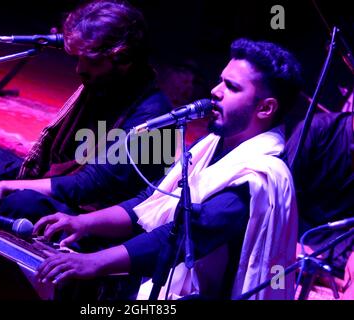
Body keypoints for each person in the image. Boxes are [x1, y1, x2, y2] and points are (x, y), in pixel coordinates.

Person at [34, 38, 303, 300]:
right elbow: (151, 202)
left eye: (231, 87)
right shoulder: (211, 145)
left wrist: (94, 263)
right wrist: (83, 223)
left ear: (265, 108)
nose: (215, 90)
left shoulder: (259, 176)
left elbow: (186, 235)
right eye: (221, 80)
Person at [0, 0, 174, 222]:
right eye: (78, 59)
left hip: (94, 219)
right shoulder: (98, 88)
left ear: (122, 57)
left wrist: (5, 185)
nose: (79, 69)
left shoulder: (155, 116)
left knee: (23, 202)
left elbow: (91, 186)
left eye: (91, 61)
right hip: (69, 188)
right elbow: (54, 167)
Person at [284, 112, 354, 281]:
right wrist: (288, 245)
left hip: (332, 257)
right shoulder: (317, 128)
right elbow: (278, 197)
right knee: (275, 283)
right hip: (285, 241)